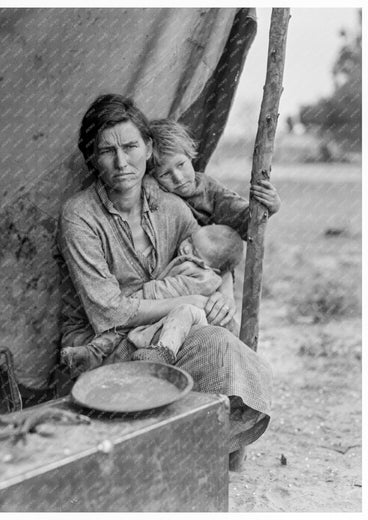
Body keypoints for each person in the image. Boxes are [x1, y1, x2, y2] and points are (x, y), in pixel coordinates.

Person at [57, 93, 272, 455]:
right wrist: (191, 300)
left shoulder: (171, 206)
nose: (122, 161)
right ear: (93, 158)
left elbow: (209, 256)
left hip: (164, 336)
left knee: (221, 335)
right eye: (108, 151)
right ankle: (174, 449)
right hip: (104, 343)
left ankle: (189, 450)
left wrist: (222, 293)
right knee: (215, 343)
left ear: (148, 148)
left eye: (130, 146)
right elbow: (107, 312)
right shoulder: (79, 215)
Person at [61, 223, 243, 373]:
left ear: (213, 268)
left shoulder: (202, 277)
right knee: (120, 330)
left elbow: (170, 289)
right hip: (164, 315)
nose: (185, 247)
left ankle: (162, 353)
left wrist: (141, 297)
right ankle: (92, 353)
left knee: (128, 327)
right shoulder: (194, 261)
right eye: (190, 240)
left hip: (175, 320)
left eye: (194, 251)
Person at [148, 118, 281, 319]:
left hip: (207, 270)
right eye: (165, 173)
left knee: (216, 316)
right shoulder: (155, 193)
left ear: (190, 156)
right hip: (168, 272)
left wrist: (269, 207)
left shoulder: (209, 190)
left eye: (181, 165)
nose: (178, 177)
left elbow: (245, 220)